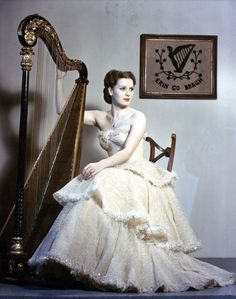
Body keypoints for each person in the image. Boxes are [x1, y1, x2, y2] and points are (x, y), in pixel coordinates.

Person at [28, 69, 236, 293]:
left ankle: (123, 268)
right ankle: (91, 265)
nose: (128, 93)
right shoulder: (100, 117)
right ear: (110, 90)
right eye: (122, 88)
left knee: (100, 181)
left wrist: (99, 165)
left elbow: (127, 153)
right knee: (95, 190)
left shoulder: (138, 117)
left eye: (131, 89)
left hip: (134, 173)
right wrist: (59, 80)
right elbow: (63, 112)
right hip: (112, 172)